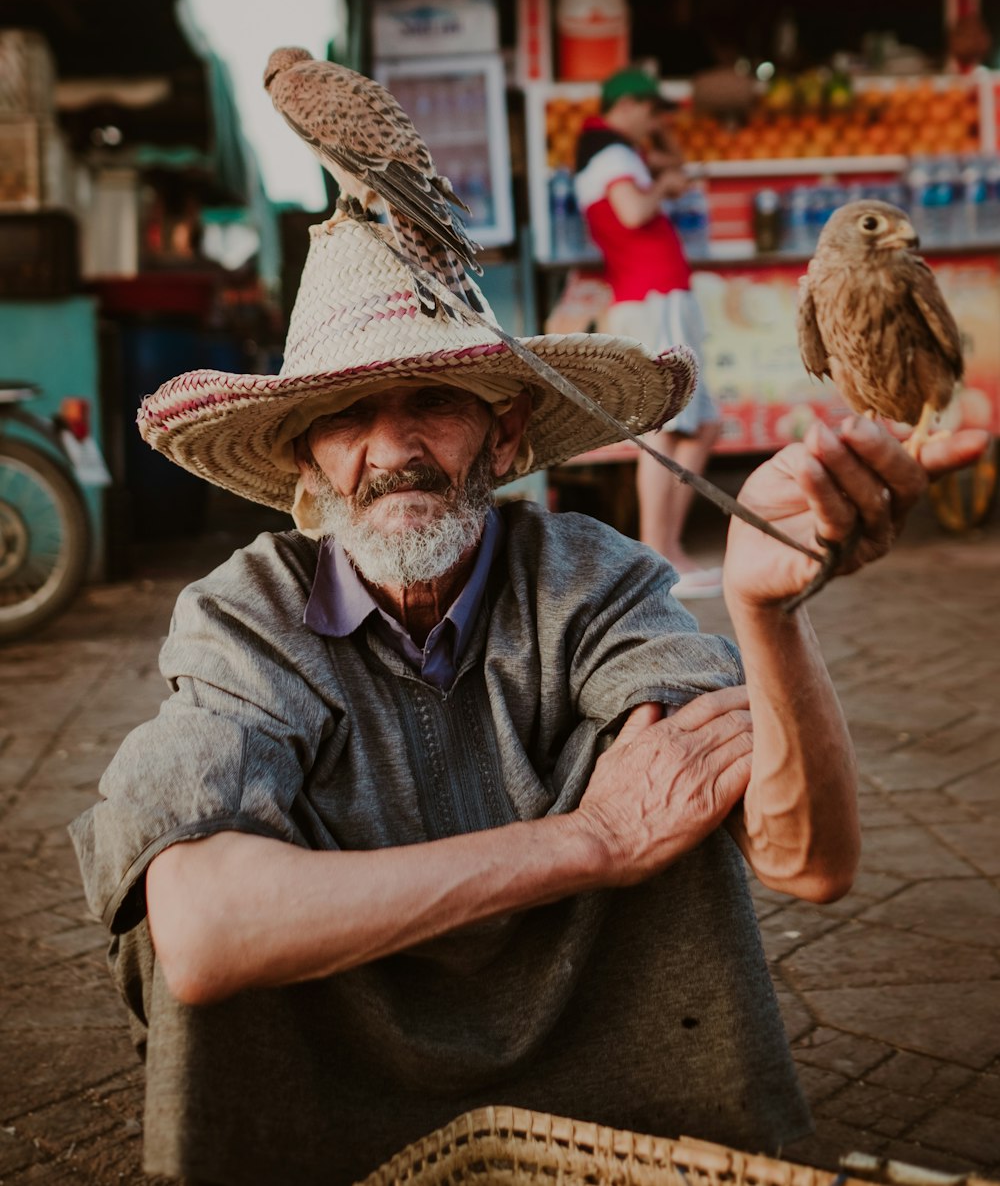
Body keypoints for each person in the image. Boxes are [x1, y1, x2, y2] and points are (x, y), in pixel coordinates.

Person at [70, 213, 984, 1186]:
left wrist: (765, 615)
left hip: (596, 1088)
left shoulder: (591, 577)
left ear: (504, 436)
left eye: (432, 398)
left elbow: (809, 865)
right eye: (346, 415)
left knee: (683, 793)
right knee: (187, 861)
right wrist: (589, 842)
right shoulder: (242, 614)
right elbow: (205, 934)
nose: (393, 447)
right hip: (328, 1105)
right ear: (307, 461)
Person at [574, 67, 722, 597]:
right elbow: (634, 211)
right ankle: (662, 553)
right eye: (652, 111)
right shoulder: (613, 156)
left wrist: (658, 147)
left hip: (656, 297)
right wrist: (660, 184)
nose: (658, 121)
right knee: (672, 429)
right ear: (630, 105)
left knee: (698, 426)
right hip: (653, 298)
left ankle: (668, 551)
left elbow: (673, 161)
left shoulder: (611, 151)